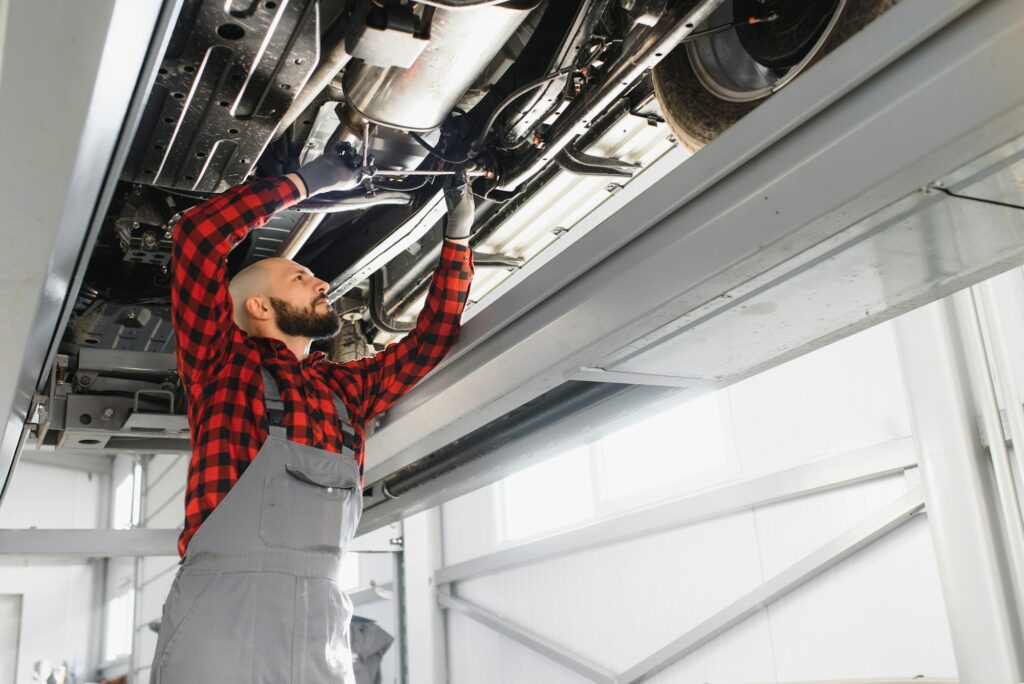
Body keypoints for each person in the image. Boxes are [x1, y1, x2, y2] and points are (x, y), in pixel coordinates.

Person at [150, 145, 475, 684]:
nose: (322, 282)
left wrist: (458, 237)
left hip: (325, 619)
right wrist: (304, 184)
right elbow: (198, 238)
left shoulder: (345, 390)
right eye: (299, 277)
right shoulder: (220, 361)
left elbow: (432, 338)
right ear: (258, 306)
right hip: (225, 609)